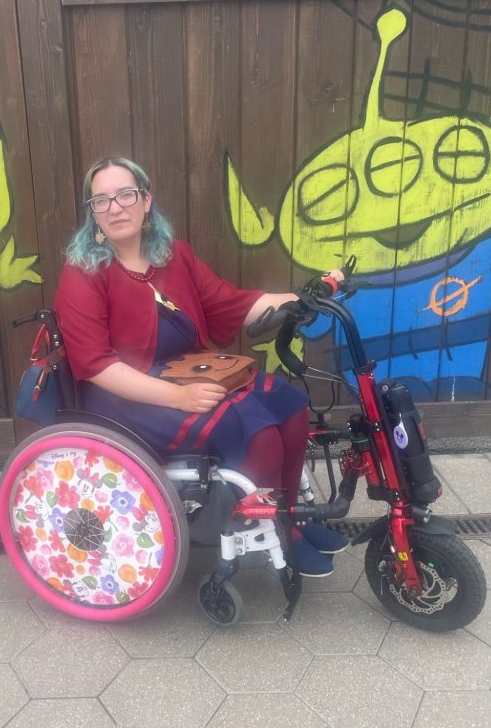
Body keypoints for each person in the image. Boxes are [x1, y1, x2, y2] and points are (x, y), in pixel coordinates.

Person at [54, 157, 348, 577]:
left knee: (289, 404)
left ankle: (291, 519)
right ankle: (271, 532)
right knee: (254, 428)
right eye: (101, 201)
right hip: (125, 397)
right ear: (93, 213)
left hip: (190, 372)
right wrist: (178, 397)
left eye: (125, 195)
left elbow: (231, 303)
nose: (115, 207)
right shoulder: (83, 273)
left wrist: (306, 297)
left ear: (146, 199)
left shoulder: (173, 257)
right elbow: (95, 365)